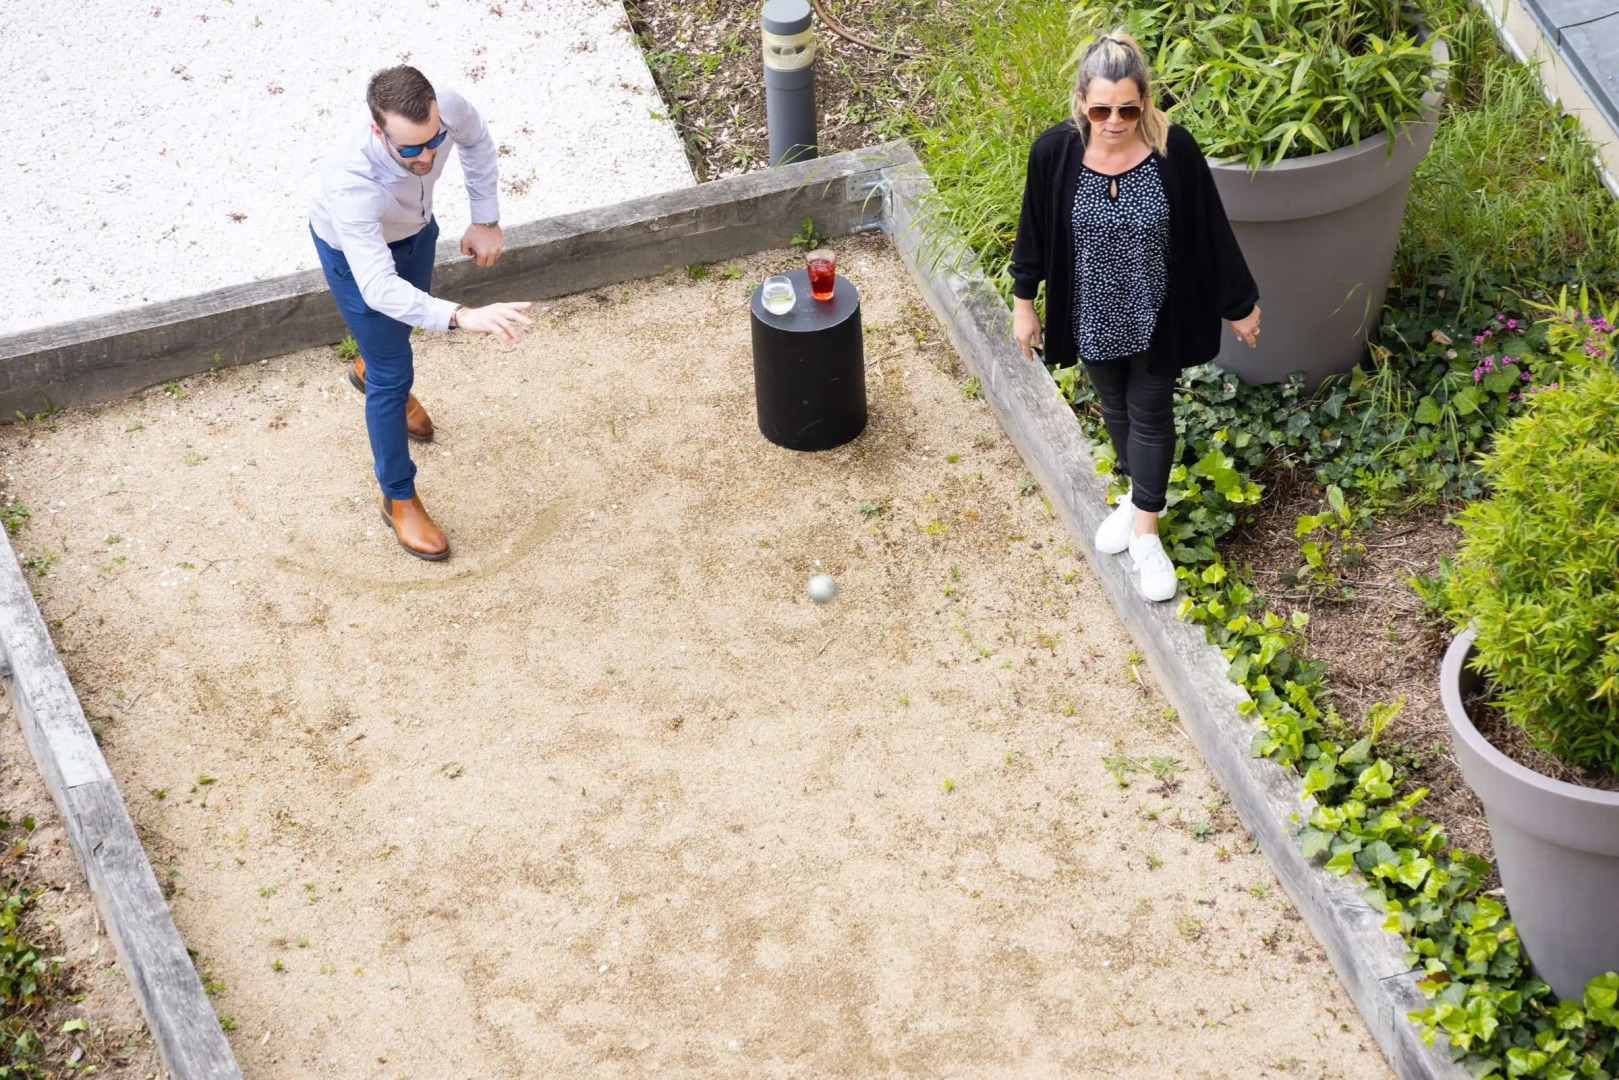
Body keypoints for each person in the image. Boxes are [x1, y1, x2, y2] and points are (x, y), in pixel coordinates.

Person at [1009, 31, 1260, 602]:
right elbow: (1033, 234)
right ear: (1080, 103)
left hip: (1158, 313)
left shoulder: (1175, 151)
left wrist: (1239, 305)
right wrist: (1025, 304)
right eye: (1101, 109)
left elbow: (1209, 232)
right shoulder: (1055, 153)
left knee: (1150, 410)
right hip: (1091, 312)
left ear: (1145, 100)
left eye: (1127, 108)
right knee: (1115, 407)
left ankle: (1147, 533)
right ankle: (1137, 491)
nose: (1114, 120)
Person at [309, 65, 534, 561]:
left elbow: (476, 142)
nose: (428, 157)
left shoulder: (446, 107)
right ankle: (397, 496)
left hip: (416, 231)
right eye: (410, 149)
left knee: (398, 334)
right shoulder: (352, 183)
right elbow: (378, 288)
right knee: (394, 372)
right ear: (378, 131)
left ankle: (370, 361)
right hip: (357, 258)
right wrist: (461, 315)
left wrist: (485, 217)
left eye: (433, 141)